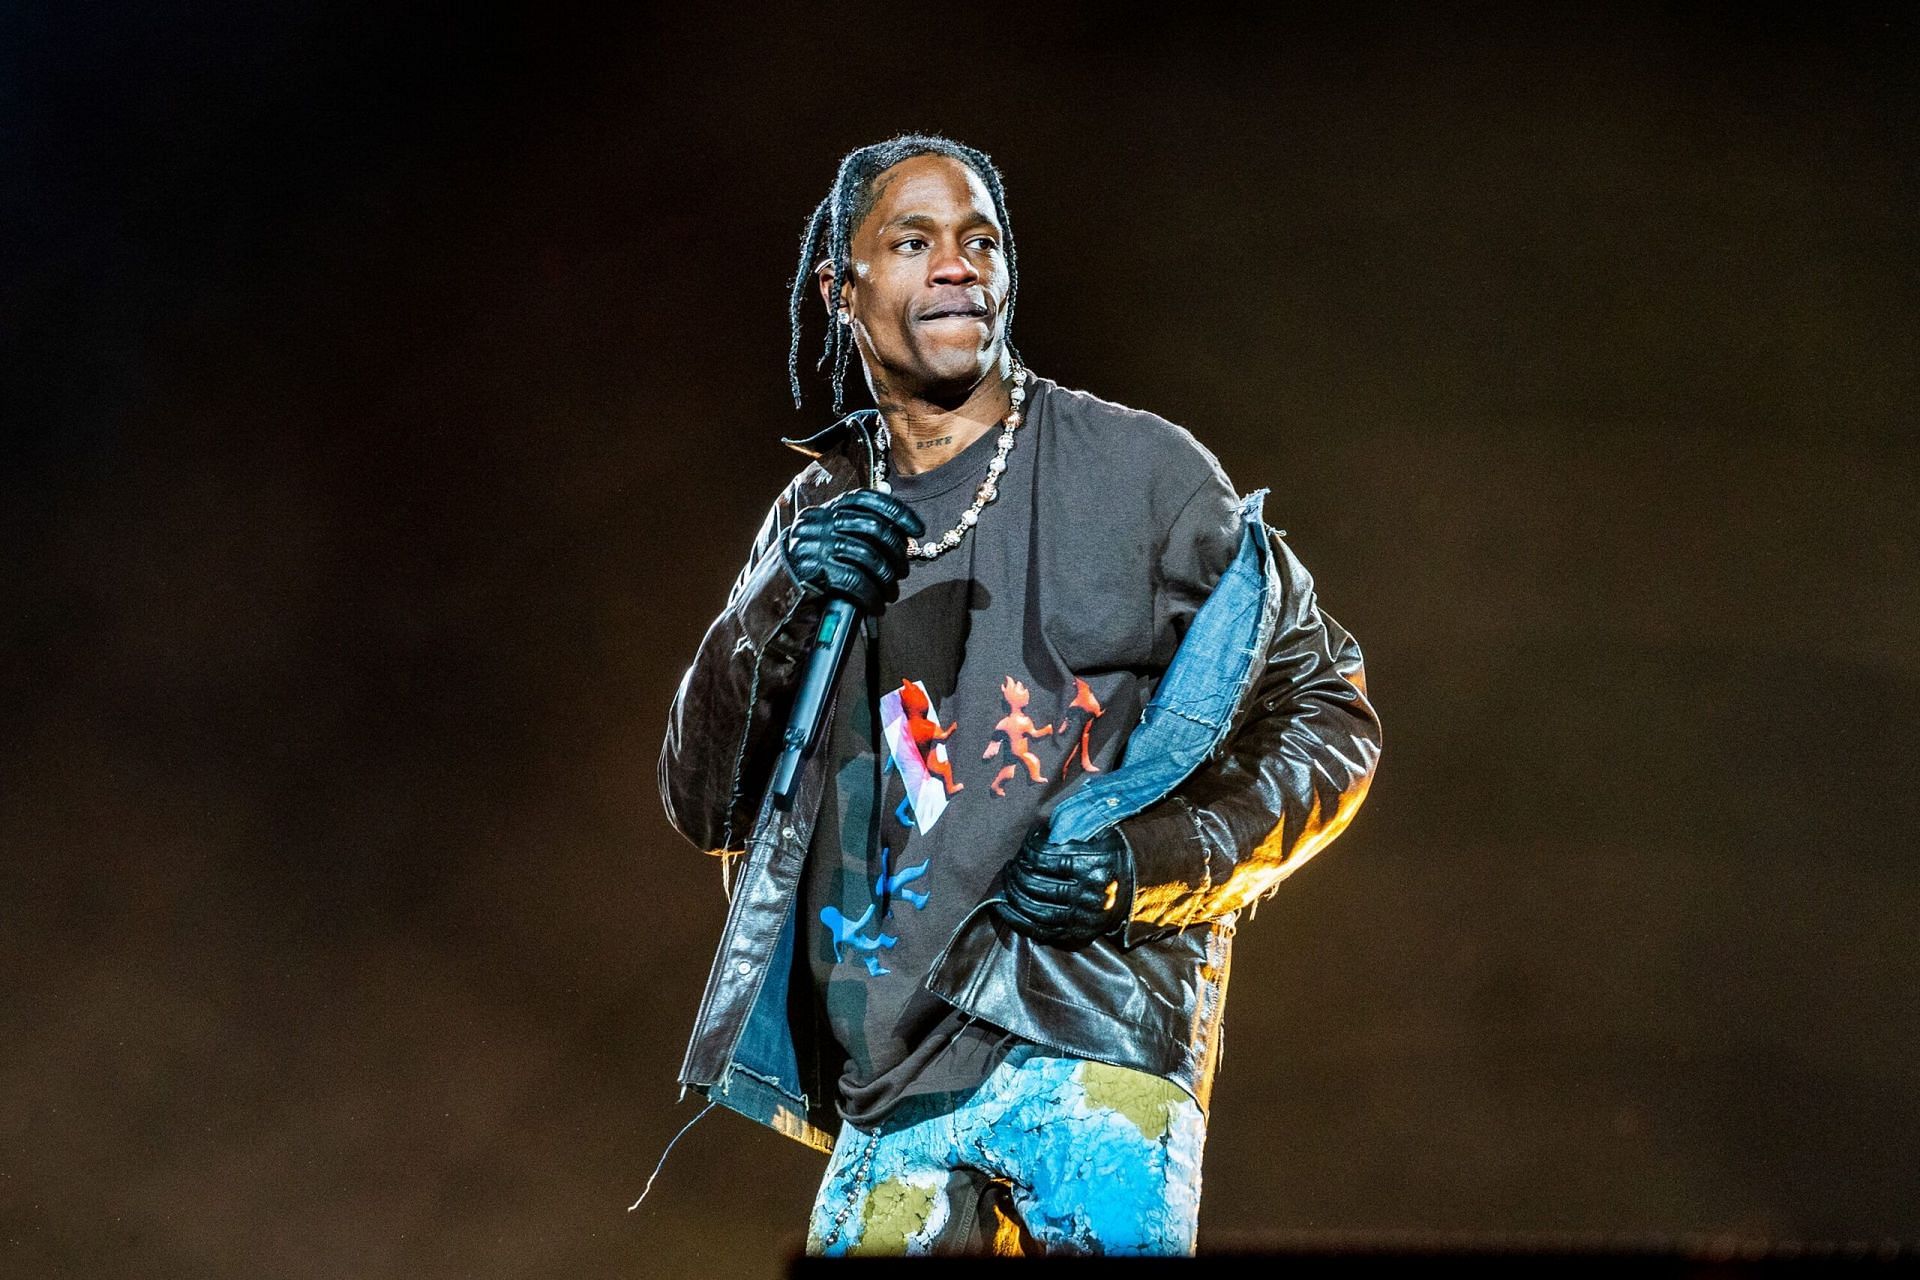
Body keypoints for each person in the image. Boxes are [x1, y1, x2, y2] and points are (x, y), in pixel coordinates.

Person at [657, 134, 1380, 1256]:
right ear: (841, 289)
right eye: (913, 241)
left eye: (980, 241)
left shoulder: (1140, 473)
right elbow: (702, 800)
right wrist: (782, 600)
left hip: (1092, 1046)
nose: (958, 266)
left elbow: (1328, 711)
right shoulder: (814, 517)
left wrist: (1154, 864)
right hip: (888, 1086)